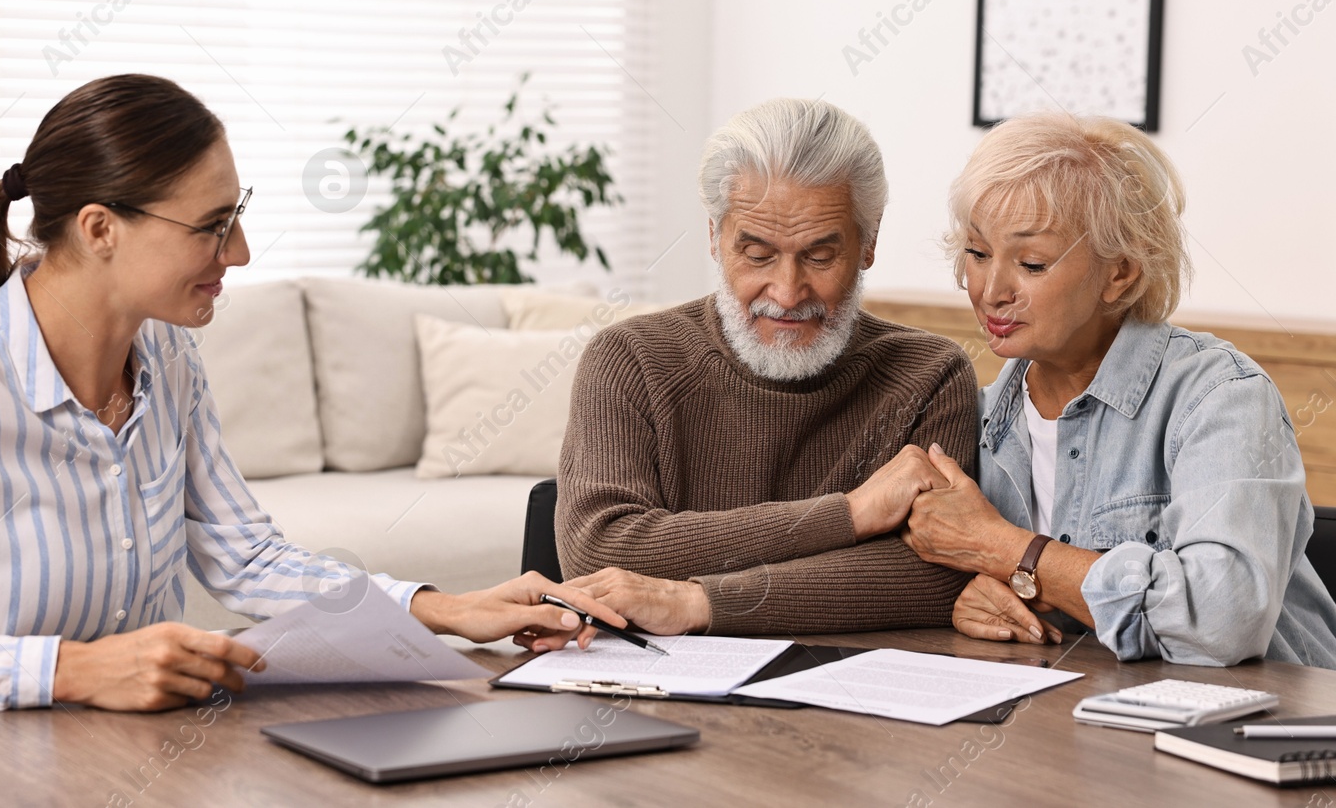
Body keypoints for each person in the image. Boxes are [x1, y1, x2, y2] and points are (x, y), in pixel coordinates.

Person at [0, 74, 622, 721]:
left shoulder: (167, 359)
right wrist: (69, 670)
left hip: (133, 762)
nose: (236, 255)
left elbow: (247, 558)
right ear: (99, 229)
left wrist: (438, 605)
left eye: (236, 217)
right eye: (211, 226)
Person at [902, 112, 1336, 668]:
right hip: (1082, 723)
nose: (991, 291)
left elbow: (1221, 619)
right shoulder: (980, 416)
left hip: (1259, 731)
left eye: (1031, 263)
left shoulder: (1222, 397)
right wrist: (963, 598)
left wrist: (1007, 551)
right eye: (978, 253)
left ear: (1121, 274)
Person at [555, 98, 977, 636]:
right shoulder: (630, 359)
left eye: (819, 257)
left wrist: (698, 603)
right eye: (756, 255)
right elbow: (599, 551)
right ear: (714, 237)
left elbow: (935, 575)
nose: (786, 291)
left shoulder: (931, 373)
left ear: (869, 244)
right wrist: (850, 515)